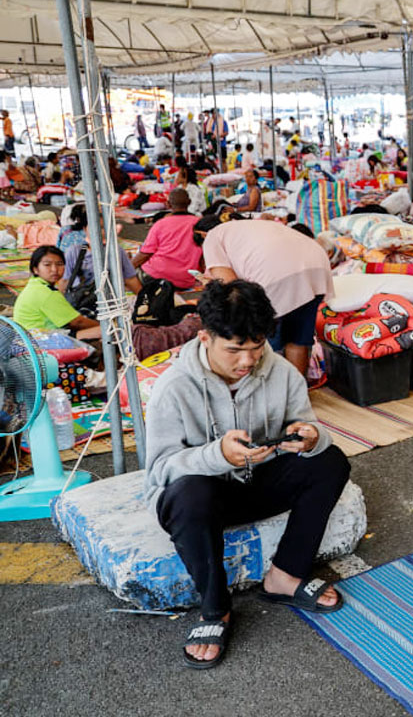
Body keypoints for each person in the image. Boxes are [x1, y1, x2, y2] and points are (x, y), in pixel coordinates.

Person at [145, 279, 350, 669]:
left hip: (259, 482)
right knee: (189, 494)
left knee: (331, 460)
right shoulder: (173, 387)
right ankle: (215, 609)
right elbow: (160, 470)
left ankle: (285, 577)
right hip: (205, 501)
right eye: (235, 349)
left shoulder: (283, 372)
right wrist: (216, 455)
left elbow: (306, 423)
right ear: (205, 337)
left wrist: (309, 437)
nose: (247, 361)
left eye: (256, 348)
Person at [197, 213, 333, 375]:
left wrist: (211, 287)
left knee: (265, 344)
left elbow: (230, 288)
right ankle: (298, 393)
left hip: (275, 276)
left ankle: (271, 392)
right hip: (317, 264)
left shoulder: (212, 237)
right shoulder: (248, 227)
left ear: (203, 235)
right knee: (298, 339)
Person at [14, 246, 100, 338]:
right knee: (105, 332)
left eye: (59, 264)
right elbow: (77, 322)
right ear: (35, 269)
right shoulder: (46, 293)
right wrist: (102, 326)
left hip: (29, 338)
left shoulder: (35, 285)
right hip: (42, 342)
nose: (54, 269)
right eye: (47, 265)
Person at [134, 190, 202, 289]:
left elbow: (145, 254)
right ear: (189, 202)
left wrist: (128, 267)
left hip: (156, 277)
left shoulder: (161, 224)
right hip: (185, 280)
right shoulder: (199, 223)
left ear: (168, 204)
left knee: (130, 277)